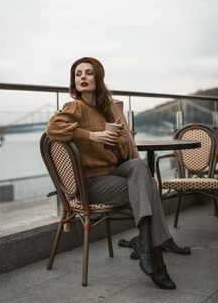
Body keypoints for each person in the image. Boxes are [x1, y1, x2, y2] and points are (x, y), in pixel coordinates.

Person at [46, 56, 178, 289]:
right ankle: (153, 254)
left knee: (139, 167)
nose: (83, 77)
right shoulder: (75, 106)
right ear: (73, 81)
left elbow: (119, 156)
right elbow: (53, 128)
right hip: (92, 183)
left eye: (88, 72)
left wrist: (119, 138)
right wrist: (92, 135)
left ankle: (146, 245)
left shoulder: (104, 112)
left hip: (113, 172)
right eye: (78, 74)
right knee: (146, 185)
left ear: (98, 77)